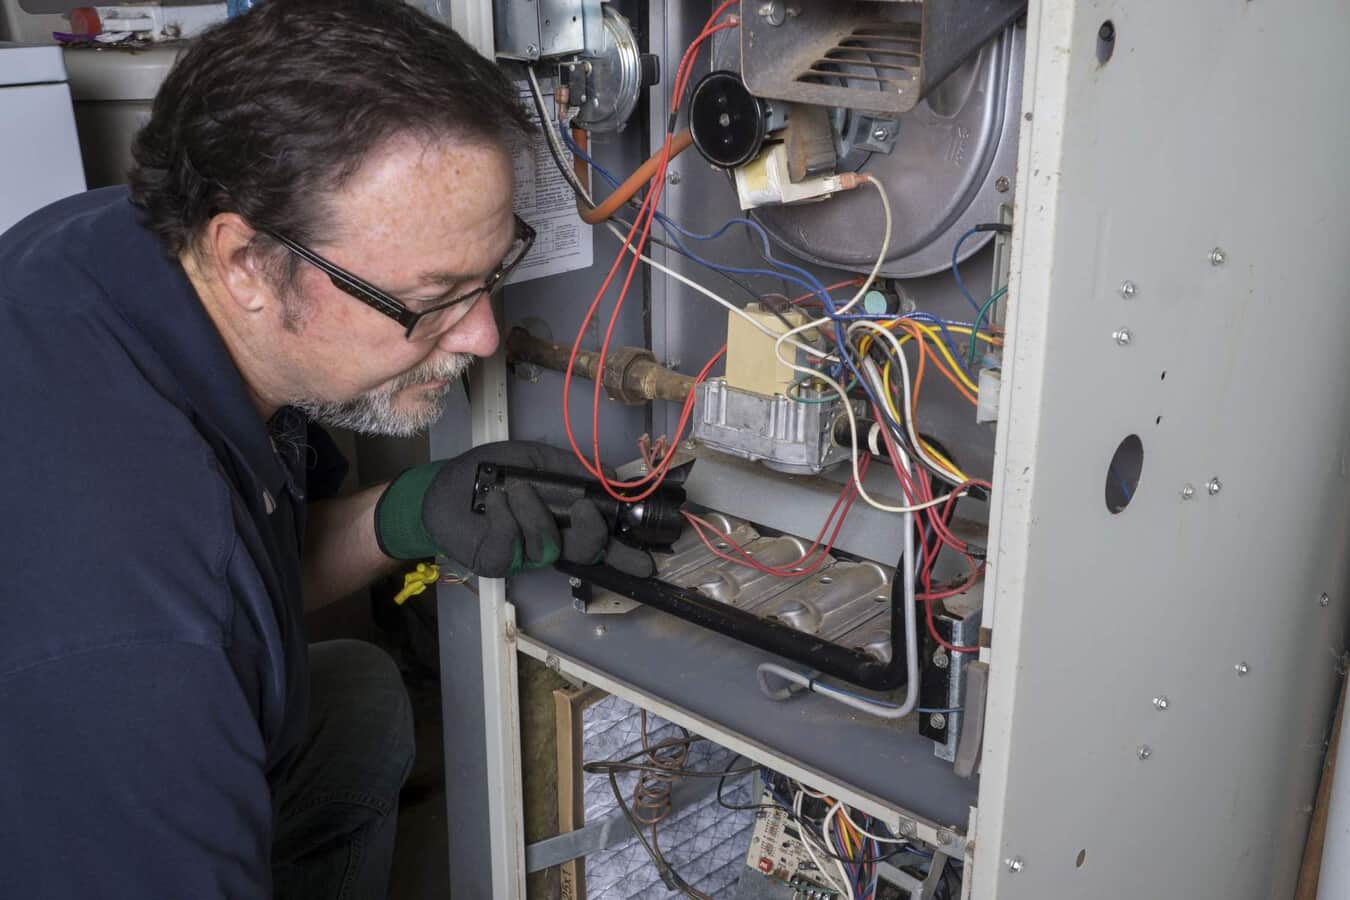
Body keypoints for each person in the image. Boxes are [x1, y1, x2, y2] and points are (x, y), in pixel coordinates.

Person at [0, 0, 650, 896]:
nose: (483, 337)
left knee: (358, 702)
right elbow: (196, 603)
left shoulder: (117, 243)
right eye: (433, 297)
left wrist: (410, 510)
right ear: (247, 262)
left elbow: (251, 574)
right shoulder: (143, 637)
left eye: (492, 273)